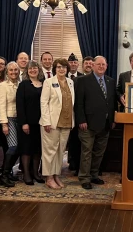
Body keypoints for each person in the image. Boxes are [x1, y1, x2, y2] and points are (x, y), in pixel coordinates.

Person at [75, 56, 117, 189]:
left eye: (103, 64)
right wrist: (81, 119)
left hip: (105, 123)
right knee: (86, 151)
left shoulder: (110, 81)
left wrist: (113, 119)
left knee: (99, 151)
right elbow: (79, 102)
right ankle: (84, 178)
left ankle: (94, 175)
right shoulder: (82, 80)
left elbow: (112, 102)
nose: (101, 67)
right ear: (93, 65)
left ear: (107, 66)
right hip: (87, 123)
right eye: (98, 64)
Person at [40, 58, 75, 189]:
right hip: (52, 123)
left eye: (64, 67)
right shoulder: (49, 82)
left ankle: (56, 175)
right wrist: (46, 121)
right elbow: (44, 103)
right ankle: (48, 177)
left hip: (66, 122)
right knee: (50, 151)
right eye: (59, 67)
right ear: (55, 68)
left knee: (60, 151)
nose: (62, 69)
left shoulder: (70, 82)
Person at [17, 61, 45, 185]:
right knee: (26, 149)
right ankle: (26, 174)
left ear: (39, 70)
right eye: (30, 68)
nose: (33, 70)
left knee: (37, 149)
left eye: (35, 68)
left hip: (41, 123)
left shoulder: (44, 84)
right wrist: (24, 123)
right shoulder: (23, 85)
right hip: (27, 123)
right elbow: (20, 105)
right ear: (27, 71)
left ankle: (35, 173)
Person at [0, 61, 22, 188]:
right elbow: (0, 106)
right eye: (11, 70)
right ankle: (3, 176)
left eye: (15, 70)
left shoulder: (20, 84)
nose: (13, 72)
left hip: (20, 119)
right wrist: (4, 124)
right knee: (13, 146)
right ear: (7, 72)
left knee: (18, 148)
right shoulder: (3, 86)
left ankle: (9, 172)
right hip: (9, 119)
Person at [66, 53, 83, 174]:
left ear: (78, 64)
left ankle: (75, 165)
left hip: (77, 115)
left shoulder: (82, 78)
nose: (73, 64)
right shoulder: (60, 76)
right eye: (70, 62)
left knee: (76, 141)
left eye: (75, 62)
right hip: (64, 114)